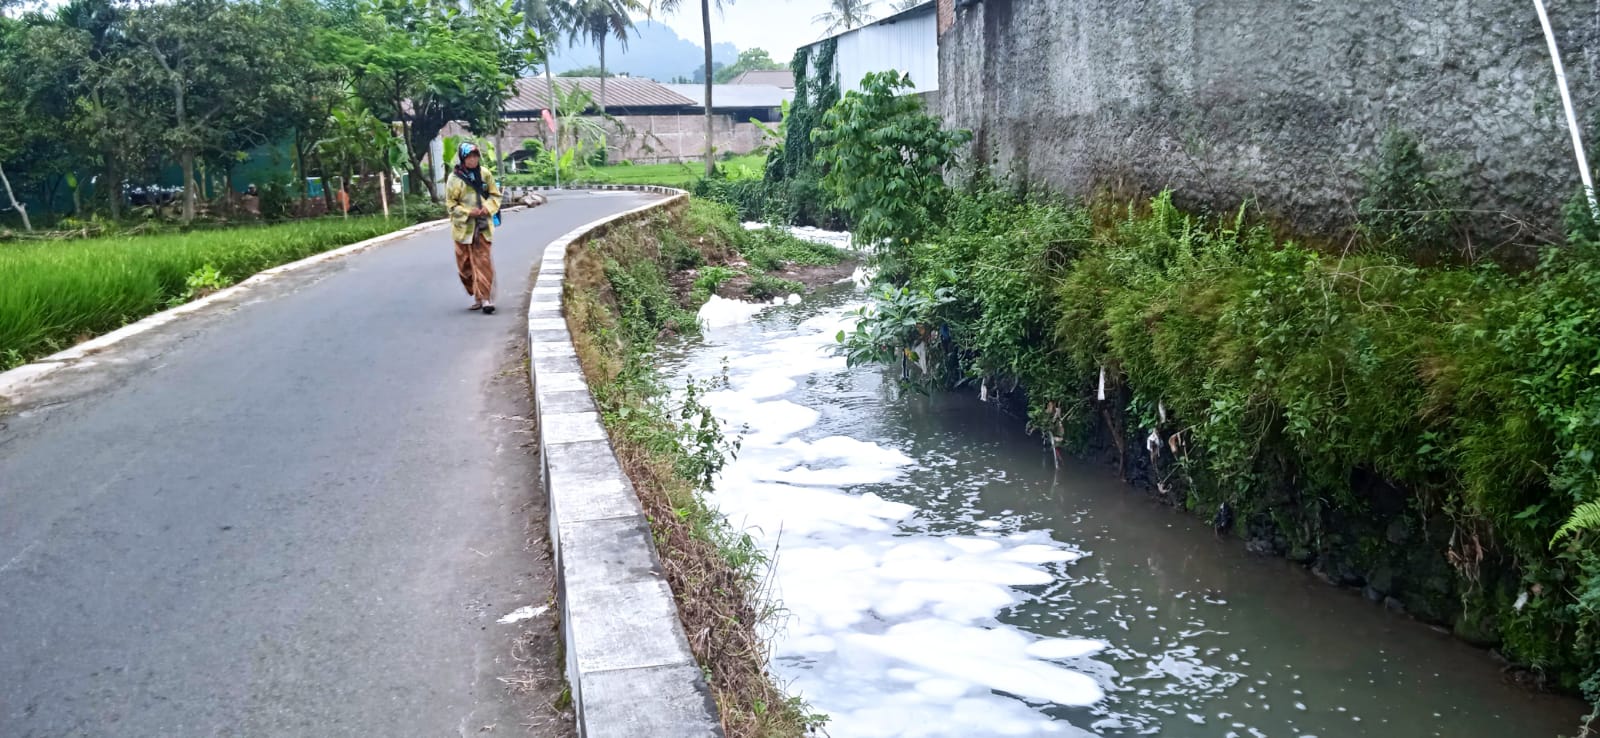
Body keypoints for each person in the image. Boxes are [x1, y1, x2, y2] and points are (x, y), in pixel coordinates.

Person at [445, 141, 503, 314]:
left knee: (483, 262)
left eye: (475, 156)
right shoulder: (454, 179)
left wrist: (488, 208)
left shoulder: (484, 174)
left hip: (482, 226)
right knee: (465, 267)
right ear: (463, 159)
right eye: (469, 157)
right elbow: (451, 204)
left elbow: (495, 195)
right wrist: (468, 212)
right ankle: (476, 294)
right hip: (462, 228)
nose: (473, 160)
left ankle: (486, 298)